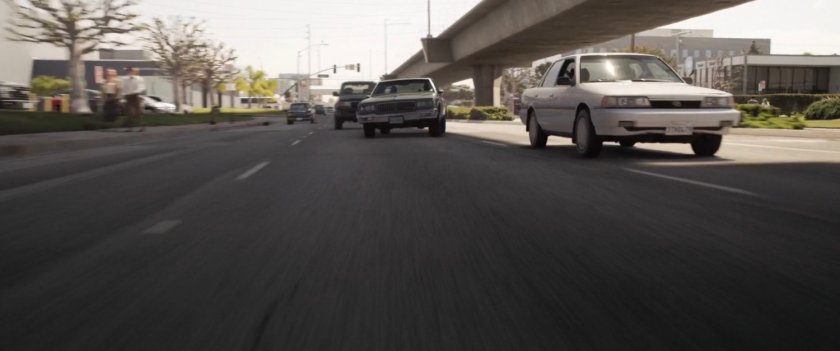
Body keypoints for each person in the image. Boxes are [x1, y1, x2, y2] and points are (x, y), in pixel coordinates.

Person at [122, 67, 146, 132]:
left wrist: (136, 92)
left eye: (130, 71)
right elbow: (123, 88)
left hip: (135, 96)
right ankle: (130, 127)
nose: (129, 73)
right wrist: (124, 95)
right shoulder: (124, 79)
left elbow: (142, 87)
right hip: (128, 96)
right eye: (128, 72)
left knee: (138, 112)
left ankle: (141, 126)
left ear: (132, 72)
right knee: (129, 112)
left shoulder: (139, 79)